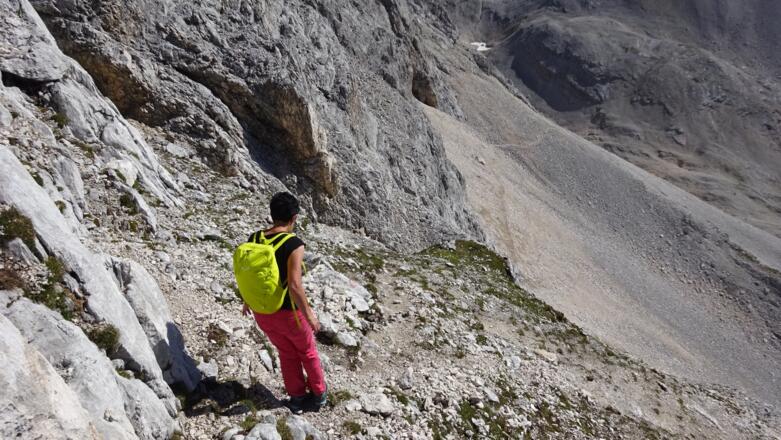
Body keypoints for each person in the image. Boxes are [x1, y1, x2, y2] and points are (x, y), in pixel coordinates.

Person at [242, 192, 327, 414]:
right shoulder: (294, 244)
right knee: (307, 352)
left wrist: (247, 300)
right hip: (289, 314)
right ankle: (319, 395)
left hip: (262, 312)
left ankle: (297, 397)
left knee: (286, 352)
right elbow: (295, 285)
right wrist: (309, 315)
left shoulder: (254, 238)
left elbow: (250, 274)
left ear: (272, 214)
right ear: (294, 217)